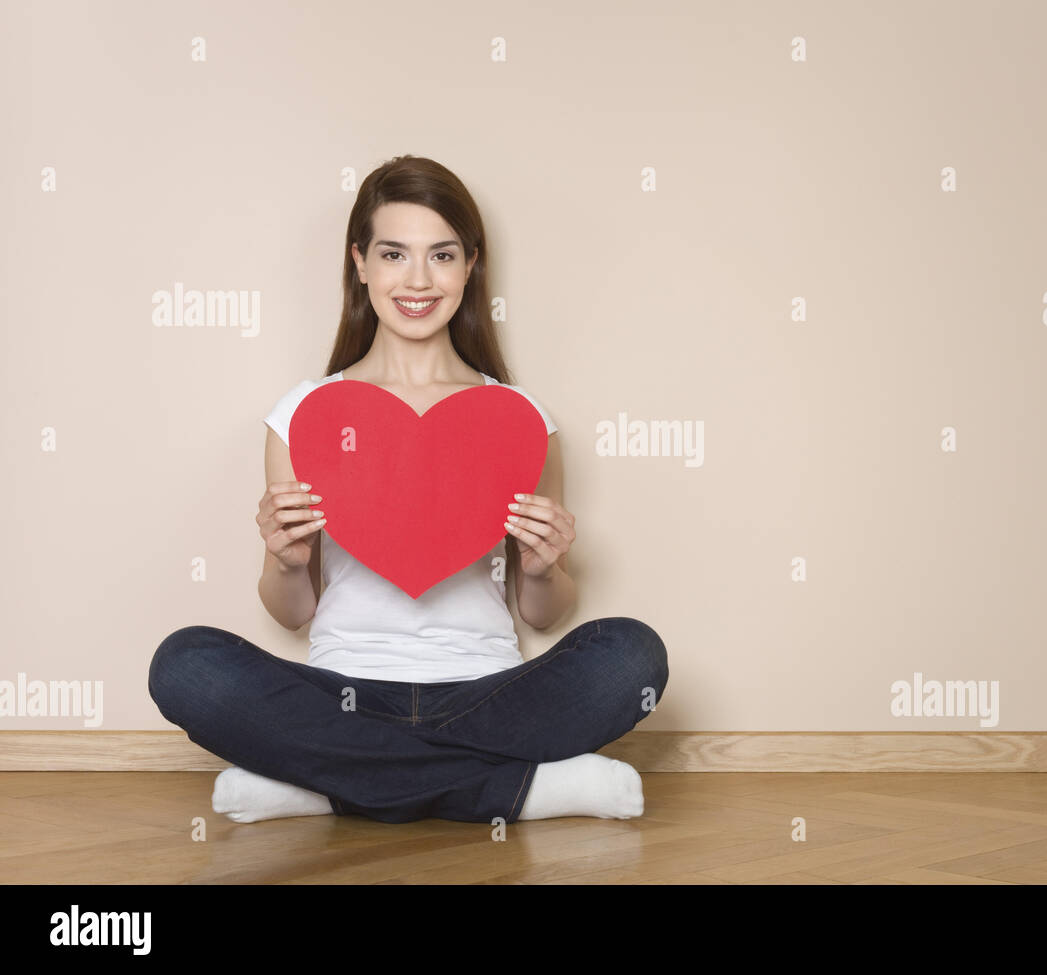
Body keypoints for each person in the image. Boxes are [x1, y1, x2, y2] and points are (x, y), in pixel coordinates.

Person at [148, 155, 668, 825]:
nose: (417, 279)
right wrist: (284, 560)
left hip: (486, 693)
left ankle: (330, 786)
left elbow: (543, 613)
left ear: (470, 266)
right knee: (185, 664)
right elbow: (292, 613)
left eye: (441, 255)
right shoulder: (306, 415)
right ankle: (514, 789)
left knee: (632, 655)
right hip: (340, 693)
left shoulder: (519, 419)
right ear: (360, 263)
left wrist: (541, 568)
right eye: (394, 253)